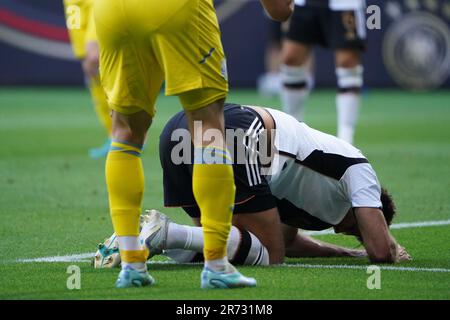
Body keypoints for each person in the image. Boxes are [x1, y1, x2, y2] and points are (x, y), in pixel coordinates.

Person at [92, 0, 293, 289]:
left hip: (111, 11)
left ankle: (132, 263)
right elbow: (279, 10)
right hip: (174, 8)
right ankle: (216, 265)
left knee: (124, 134)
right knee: (207, 126)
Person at [93, 103, 410, 269]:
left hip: (179, 130)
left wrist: (343, 253)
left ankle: (136, 240)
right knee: (270, 257)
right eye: (358, 229)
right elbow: (380, 251)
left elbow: (288, 241)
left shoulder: (311, 205)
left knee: (214, 247)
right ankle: (166, 233)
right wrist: (389, 244)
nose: (346, 233)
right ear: (370, 208)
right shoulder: (361, 171)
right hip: (239, 132)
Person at [280, 0, 367, 144]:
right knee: (291, 58)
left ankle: (346, 140)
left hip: (343, 3)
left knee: (347, 62)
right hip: (304, 3)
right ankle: (293, 131)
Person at [63, 0, 112, 158]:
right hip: (73, 5)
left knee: (94, 57)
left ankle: (130, 127)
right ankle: (116, 134)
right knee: (89, 67)